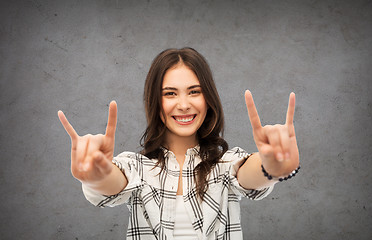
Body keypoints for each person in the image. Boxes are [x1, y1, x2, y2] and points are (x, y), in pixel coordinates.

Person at [58, 47, 300, 240]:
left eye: (194, 91)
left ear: (208, 98)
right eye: (170, 93)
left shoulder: (225, 164)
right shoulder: (137, 167)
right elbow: (114, 180)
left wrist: (272, 167)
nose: (183, 104)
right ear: (155, 101)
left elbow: (248, 171)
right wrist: (95, 176)